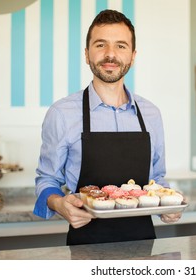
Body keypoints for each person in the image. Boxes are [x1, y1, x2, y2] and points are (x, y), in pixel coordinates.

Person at [33, 9, 182, 245]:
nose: (110, 55)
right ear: (86, 54)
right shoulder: (61, 113)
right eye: (101, 45)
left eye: (121, 46)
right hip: (85, 242)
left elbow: (157, 180)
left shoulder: (151, 114)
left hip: (144, 243)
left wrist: (168, 203)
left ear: (133, 56)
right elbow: (47, 180)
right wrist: (59, 203)